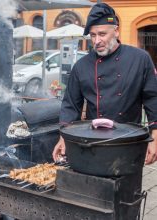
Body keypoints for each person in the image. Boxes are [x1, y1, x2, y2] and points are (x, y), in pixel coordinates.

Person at [52, 3, 157, 165]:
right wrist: (63, 138)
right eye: (93, 35)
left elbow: (153, 99)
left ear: (116, 31)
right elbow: (71, 105)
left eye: (102, 34)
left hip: (130, 142)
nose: (97, 40)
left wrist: (155, 138)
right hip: (92, 143)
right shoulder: (81, 66)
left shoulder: (140, 59)